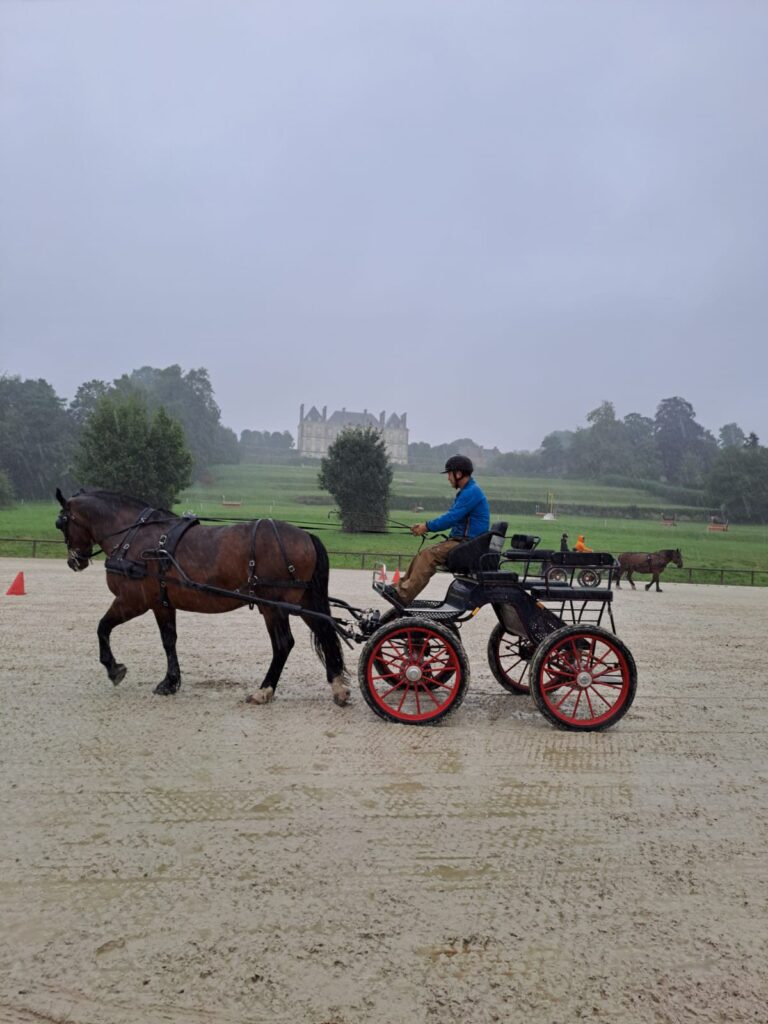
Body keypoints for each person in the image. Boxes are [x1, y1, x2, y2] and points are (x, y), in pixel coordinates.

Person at [387, 455, 490, 605]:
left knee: (429, 555)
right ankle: (399, 588)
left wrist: (426, 526)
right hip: (463, 542)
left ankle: (403, 595)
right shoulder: (468, 491)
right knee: (423, 553)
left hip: (468, 544)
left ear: (458, 473)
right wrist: (425, 527)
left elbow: (451, 518)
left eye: (449, 473)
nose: (448, 478)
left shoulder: (471, 492)